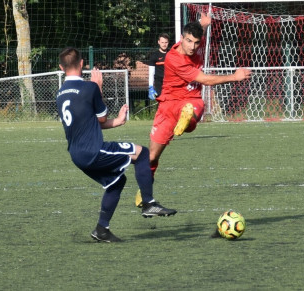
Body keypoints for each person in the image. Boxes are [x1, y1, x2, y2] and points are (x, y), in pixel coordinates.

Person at [56, 47, 177, 243]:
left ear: (61, 68)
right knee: (143, 153)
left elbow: (90, 124)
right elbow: (101, 117)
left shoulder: (60, 94)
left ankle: (102, 229)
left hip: (77, 155)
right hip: (94, 151)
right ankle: (149, 203)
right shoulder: (89, 88)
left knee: (117, 182)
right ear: (81, 64)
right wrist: (98, 86)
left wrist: (118, 122)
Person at [135, 12, 252, 207]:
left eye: (196, 43)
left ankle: (187, 120)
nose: (192, 46)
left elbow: (197, 32)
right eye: (188, 41)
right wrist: (234, 76)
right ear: (181, 39)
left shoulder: (195, 41)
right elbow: (205, 80)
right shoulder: (175, 58)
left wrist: (203, 23)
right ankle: (144, 192)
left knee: (193, 111)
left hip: (189, 101)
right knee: (152, 156)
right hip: (170, 105)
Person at [148, 33, 170, 100]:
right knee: (162, 103)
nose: (164, 44)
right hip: (159, 84)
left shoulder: (171, 54)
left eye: (166, 42)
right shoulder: (154, 56)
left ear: (168, 42)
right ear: (159, 42)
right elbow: (151, 73)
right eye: (162, 42)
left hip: (170, 83)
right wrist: (151, 87)